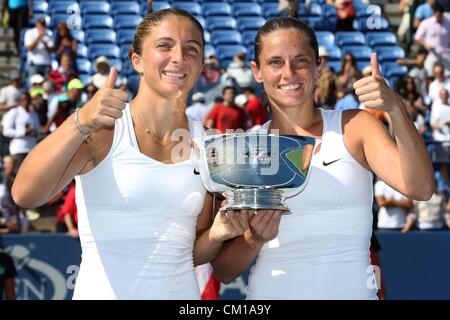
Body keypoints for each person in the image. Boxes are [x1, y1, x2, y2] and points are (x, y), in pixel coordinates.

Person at [11, 8, 248, 299]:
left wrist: (217, 235)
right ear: (136, 60)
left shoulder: (209, 143)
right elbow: (25, 195)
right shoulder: (102, 130)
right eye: (164, 45)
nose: (179, 57)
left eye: (192, 49)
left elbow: (191, 253)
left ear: (200, 65)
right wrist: (80, 121)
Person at [211, 17, 434, 300]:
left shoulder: (355, 126)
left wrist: (396, 110)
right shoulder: (245, 148)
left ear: (318, 67)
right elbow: (224, 271)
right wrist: (254, 238)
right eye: (275, 62)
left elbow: (421, 188)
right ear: (257, 71)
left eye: (300, 61)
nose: (288, 73)